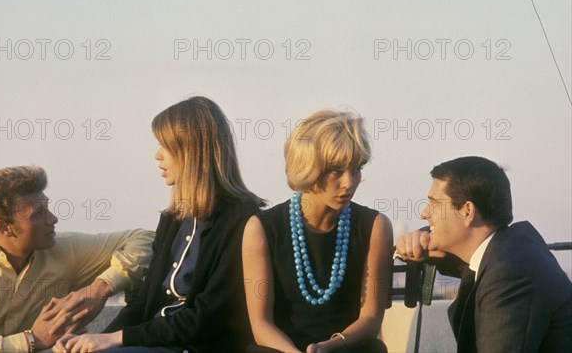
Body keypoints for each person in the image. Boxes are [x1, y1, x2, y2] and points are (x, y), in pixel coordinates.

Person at [55, 96, 265, 353]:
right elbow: (144, 300)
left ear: (192, 150)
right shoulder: (173, 218)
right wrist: (96, 341)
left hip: (194, 347)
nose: (157, 155)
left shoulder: (241, 219)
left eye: (165, 145)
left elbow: (211, 316)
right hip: (153, 342)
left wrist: (118, 340)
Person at [243, 109, 393, 353]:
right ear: (308, 167)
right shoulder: (261, 228)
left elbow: (370, 319)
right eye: (336, 170)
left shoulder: (375, 226)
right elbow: (261, 325)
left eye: (356, 169)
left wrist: (327, 347)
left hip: (346, 348)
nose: (349, 182)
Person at [395, 156, 572, 352]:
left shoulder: (509, 275)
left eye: (434, 203)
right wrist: (422, 241)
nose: (424, 213)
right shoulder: (511, 248)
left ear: (467, 211)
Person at [0, 165, 154, 353]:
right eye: (38, 214)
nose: (53, 219)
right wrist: (31, 340)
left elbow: (146, 239)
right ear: (4, 227)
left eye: (47, 208)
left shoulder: (64, 249)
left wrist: (100, 288)